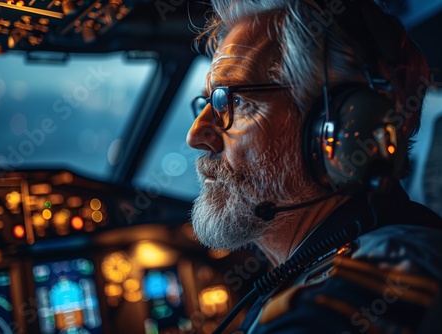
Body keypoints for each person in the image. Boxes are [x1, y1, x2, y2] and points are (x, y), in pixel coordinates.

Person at [186, 0, 442, 333]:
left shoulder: (392, 272)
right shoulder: (315, 265)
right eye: (209, 102)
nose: (196, 135)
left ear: (336, 124)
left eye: (232, 101)